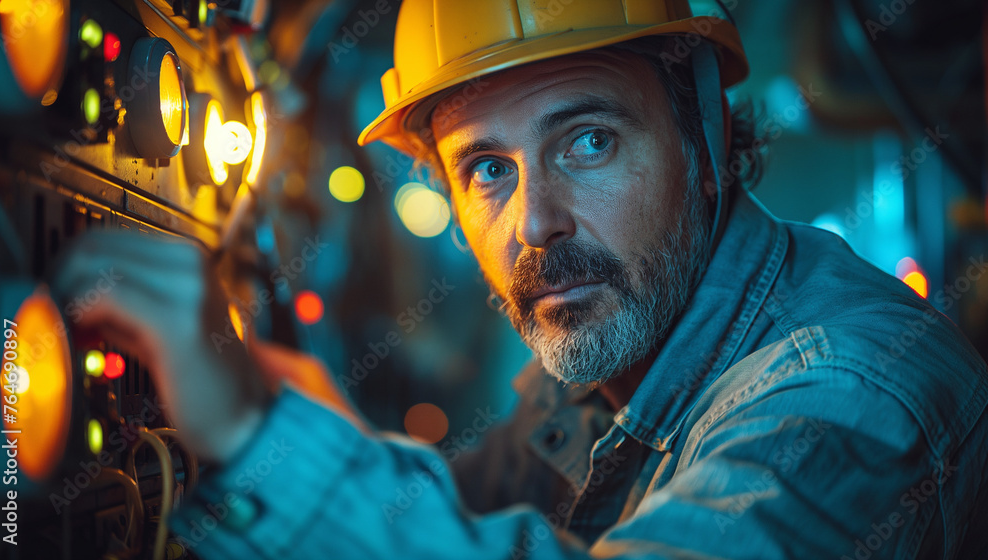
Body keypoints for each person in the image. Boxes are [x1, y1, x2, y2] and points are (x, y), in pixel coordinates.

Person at [53, 0, 988, 558]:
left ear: (704, 135)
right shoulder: (598, 375)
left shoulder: (845, 393)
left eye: (588, 140)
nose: (535, 224)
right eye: (486, 169)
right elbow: (459, 514)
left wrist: (258, 441)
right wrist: (289, 417)